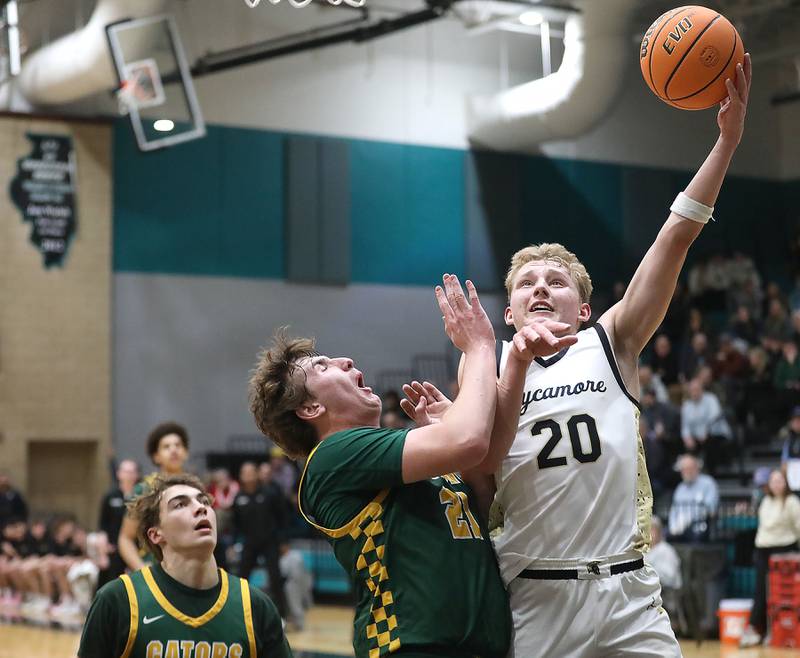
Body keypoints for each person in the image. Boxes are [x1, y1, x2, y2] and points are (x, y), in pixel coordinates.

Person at [404, 56, 752, 657]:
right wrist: (449, 428)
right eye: (527, 283)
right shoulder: (483, 364)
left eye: (557, 281)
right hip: (538, 594)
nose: (541, 287)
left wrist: (725, 143)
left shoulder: (614, 339)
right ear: (509, 312)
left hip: (629, 594)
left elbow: (675, 235)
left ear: (584, 308)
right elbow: (483, 476)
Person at [247, 275, 513, 658]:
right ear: (310, 409)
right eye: (323, 367)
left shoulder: (393, 459)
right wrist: (479, 346)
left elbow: (486, 506)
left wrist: (449, 444)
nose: (345, 361)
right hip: (409, 648)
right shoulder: (332, 456)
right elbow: (469, 439)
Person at [78, 473, 292, 658]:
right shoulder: (117, 601)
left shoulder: (256, 606)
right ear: (155, 534)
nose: (200, 508)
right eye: (180, 504)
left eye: (205, 502)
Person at [739, 469, 800, 648]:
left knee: (782, 596)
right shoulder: (765, 501)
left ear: (786, 483)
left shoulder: (792, 502)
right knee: (761, 592)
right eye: (773, 481)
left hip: (784, 553)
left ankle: (778, 631)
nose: (776, 484)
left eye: (779, 480)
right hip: (763, 551)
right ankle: (757, 629)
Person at [118, 422, 191, 571]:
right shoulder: (144, 490)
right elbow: (125, 539)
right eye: (166, 446)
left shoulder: (194, 489)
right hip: (154, 569)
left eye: (178, 445)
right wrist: (142, 570)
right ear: (156, 456)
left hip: (188, 570)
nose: (174, 450)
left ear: (185, 452)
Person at [232, 462, 288, 618]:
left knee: (275, 577)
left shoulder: (269, 493)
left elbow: (281, 517)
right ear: (241, 476)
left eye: (251, 472)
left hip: (270, 542)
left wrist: (283, 541)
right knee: (241, 578)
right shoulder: (239, 497)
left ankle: (282, 614)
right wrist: (233, 544)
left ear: (256, 474)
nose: (248, 475)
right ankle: (237, 611)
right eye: (245, 472)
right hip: (249, 543)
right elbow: (235, 524)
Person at [98, 459, 140, 587]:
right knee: (112, 585)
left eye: (132, 472)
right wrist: (102, 553)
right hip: (114, 550)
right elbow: (102, 526)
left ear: (137, 475)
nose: (129, 475)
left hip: (136, 550)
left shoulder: (141, 496)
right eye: (126, 471)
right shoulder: (110, 496)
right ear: (119, 474)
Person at [668, 455, 719, 542]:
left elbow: (711, 509)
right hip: (679, 528)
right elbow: (673, 511)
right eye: (684, 469)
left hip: (700, 527)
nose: (687, 472)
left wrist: (687, 520)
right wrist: (673, 526)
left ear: (696, 468)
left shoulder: (708, 483)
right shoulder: (680, 488)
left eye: (690, 468)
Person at [781, 406, 800, 493]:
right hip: (792, 479)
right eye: (795, 420)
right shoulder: (789, 439)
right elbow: (784, 462)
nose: (797, 423)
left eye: (799, 420)